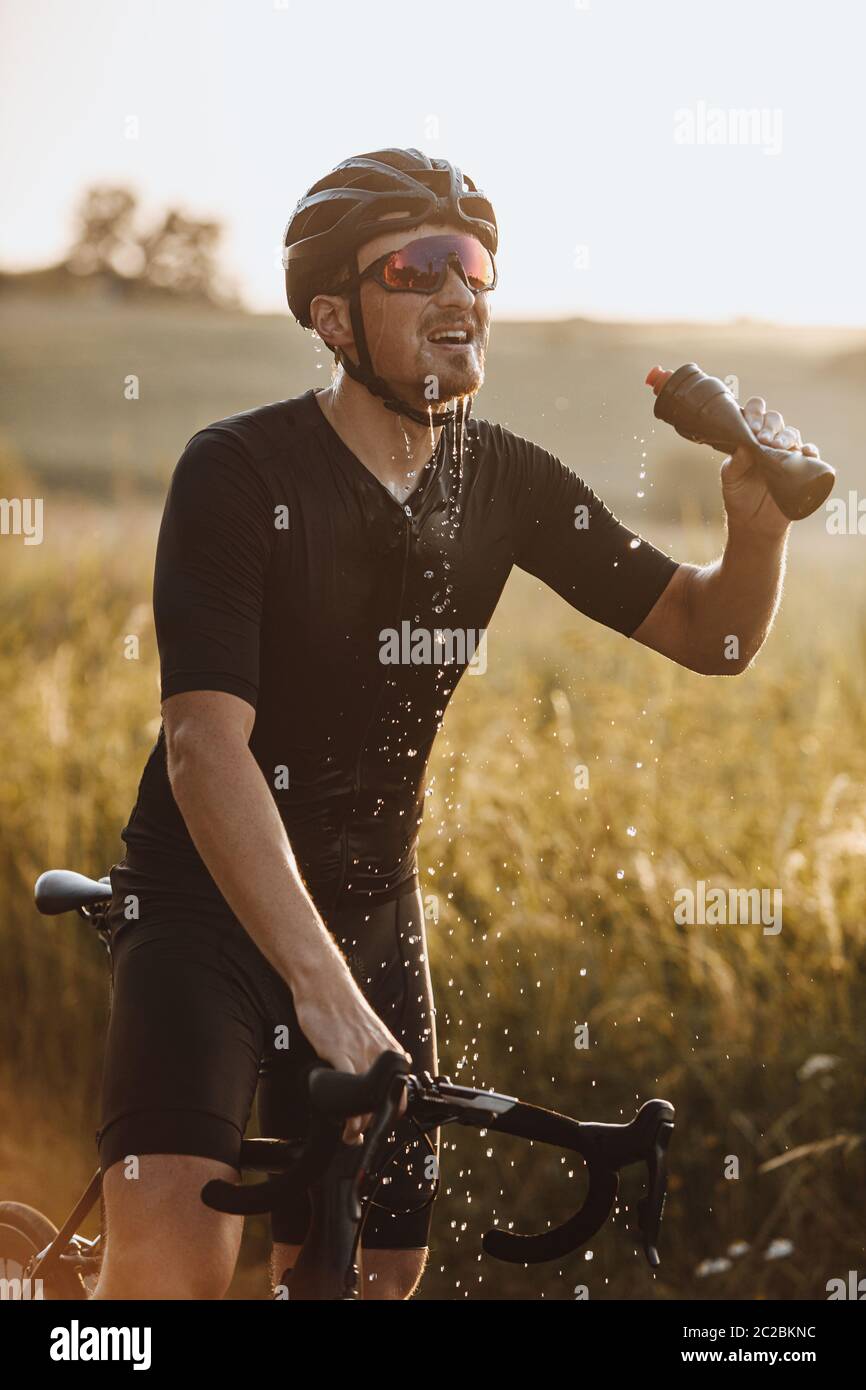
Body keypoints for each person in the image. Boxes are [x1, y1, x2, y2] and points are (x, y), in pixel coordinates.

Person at [93, 148, 816, 1301]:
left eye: (472, 267)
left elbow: (705, 633)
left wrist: (757, 532)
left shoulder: (503, 480)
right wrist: (322, 1000)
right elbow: (201, 744)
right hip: (203, 916)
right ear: (331, 315)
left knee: (377, 1280)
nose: (458, 294)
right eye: (416, 269)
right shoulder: (236, 470)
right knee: (166, 1281)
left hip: (372, 912)